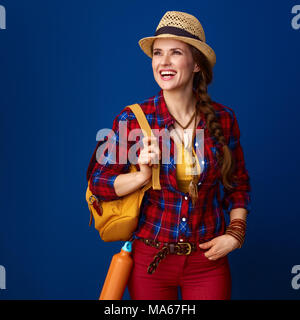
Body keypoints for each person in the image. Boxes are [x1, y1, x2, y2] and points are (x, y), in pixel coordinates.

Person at [88, 11, 251, 300]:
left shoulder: (224, 119)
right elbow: (100, 183)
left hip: (207, 263)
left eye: (176, 53)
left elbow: (237, 185)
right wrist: (140, 176)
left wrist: (235, 233)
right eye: (158, 53)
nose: (163, 62)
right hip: (150, 262)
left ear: (197, 63)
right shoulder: (133, 119)